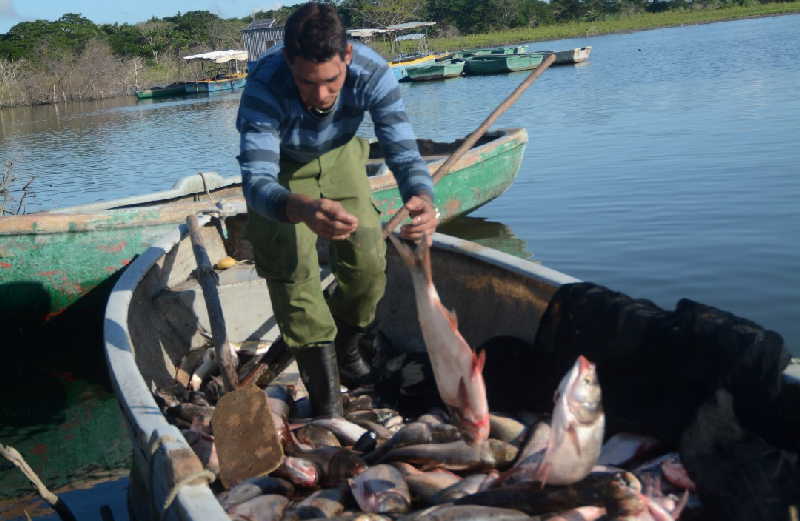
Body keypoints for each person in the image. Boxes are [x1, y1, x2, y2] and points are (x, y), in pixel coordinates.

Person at [236, 2, 437, 418]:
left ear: (347, 56)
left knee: (368, 262)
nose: (321, 95)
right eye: (307, 83)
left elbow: (401, 146)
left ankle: (346, 346)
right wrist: (299, 206)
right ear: (288, 61)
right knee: (293, 275)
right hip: (283, 173)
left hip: (343, 155)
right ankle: (328, 407)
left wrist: (421, 195)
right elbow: (256, 182)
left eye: (331, 81)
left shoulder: (373, 73)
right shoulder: (264, 84)